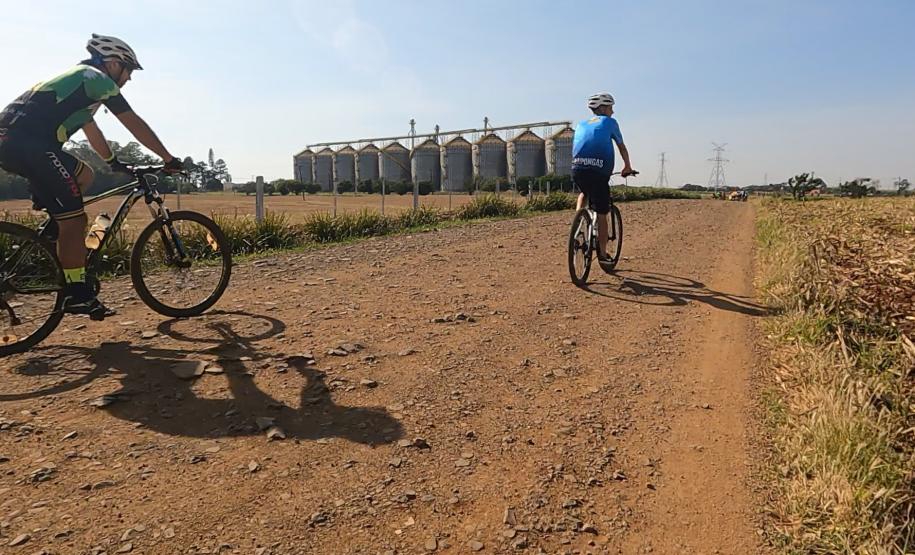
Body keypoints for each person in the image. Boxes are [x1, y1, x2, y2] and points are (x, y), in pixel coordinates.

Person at [0, 34, 184, 320]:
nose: (129, 79)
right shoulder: (96, 78)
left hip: (15, 143)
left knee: (84, 175)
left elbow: (93, 132)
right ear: (112, 64)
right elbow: (133, 122)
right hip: (31, 147)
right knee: (76, 220)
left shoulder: (78, 85)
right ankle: (78, 294)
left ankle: (52, 234)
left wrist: (113, 162)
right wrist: (168, 158)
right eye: (129, 70)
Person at [571, 93, 637, 261]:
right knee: (602, 212)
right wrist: (627, 166)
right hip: (599, 171)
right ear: (602, 108)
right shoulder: (610, 123)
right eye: (610, 107)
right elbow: (621, 147)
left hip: (577, 169)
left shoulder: (581, 124)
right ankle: (602, 253)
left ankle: (578, 222)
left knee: (585, 192)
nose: (612, 111)